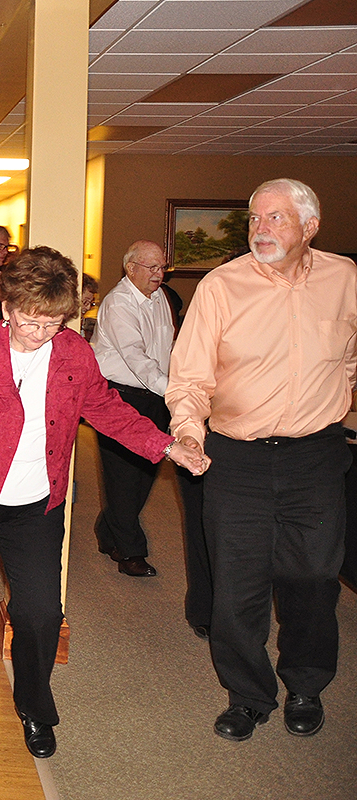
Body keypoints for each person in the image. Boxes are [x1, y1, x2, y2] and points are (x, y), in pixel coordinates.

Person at [0, 246, 206, 760]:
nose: (39, 334)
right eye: (30, 321)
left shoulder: (73, 354)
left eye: (53, 323)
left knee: (40, 615)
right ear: (7, 305)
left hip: (37, 505)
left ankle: (35, 708)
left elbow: (105, 407)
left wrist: (166, 444)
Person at [168, 178, 357, 743]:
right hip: (237, 460)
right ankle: (248, 695)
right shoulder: (222, 286)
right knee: (237, 586)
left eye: (275, 218)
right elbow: (190, 377)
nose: (260, 230)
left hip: (317, 457)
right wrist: (188, 431)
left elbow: (349, 358)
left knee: (315, 580)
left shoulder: (345, 279)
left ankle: (306, 684)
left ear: (310, 227)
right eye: (254, 218)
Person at [90, 241, 174, 578]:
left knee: (145, 474)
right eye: (152, 267)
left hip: (155, 396)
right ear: (131, 268)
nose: (159, 273)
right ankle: (130, 553)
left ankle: (107, 529)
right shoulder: (118, 303)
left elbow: (165, 349)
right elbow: (135, 356)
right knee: (124, 476)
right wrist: (174, 390)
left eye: (162, 267)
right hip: (121, 397)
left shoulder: (161, 299)